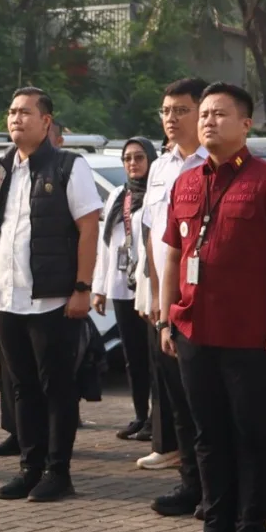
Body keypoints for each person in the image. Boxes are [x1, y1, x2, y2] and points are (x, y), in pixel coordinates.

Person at [160, 82, 266, 532]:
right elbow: (173, 256)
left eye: (220, 114)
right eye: (203, 114)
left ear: (246, 124)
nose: (208, 121)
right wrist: (167, 319)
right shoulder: (185, 181)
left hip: (249, 336)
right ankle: (215, 528)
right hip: (193, 332)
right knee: (207, 436)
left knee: (250, 435)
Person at [0, 87, 102, 501]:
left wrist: (82, 288)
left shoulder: (69, 166)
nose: (16, 119)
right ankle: (29, 467)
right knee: (21, 388)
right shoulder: (2, 169)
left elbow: (89, 228)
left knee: (56, 388)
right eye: (11, 112)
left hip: (52, 299)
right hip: (8, 299)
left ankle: (58, 471)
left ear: (46, 122)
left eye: (25, 113)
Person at [140, 80, 209, 508]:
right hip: (162, 299)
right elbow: (152, 237)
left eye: (181, 110)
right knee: (177, 401)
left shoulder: (213, 164)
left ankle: (213, 487)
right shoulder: (161, 165)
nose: (171, 119)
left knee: (204, 402)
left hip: (202, 299)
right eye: (166, 110)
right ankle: (191, 484)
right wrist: (152, 296)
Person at [93, 137, 156, 443]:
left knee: (154, 355)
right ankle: (140, 414)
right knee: (133, 356)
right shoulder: (119, 195)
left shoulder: (158, 192)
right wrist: (99, 288)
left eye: (139, 157)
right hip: (121, 285)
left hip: (149, 286)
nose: (133, 164)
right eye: (128, 158)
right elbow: (107, 246)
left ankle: (159, 418)